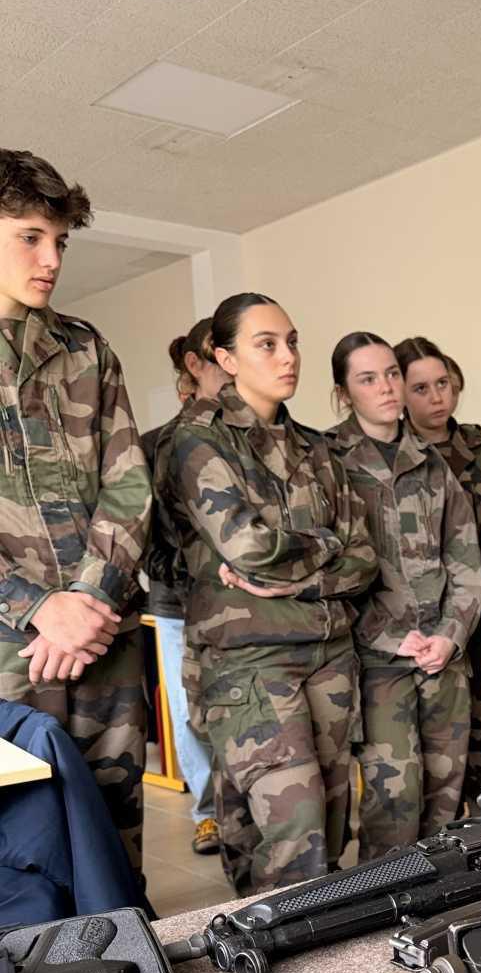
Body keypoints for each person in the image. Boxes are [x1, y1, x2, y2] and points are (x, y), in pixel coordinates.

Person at [164, 293, 377, 896]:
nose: (287, 356)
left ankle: (284, 941)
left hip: (329, 654)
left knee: (331, 827)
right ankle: (287, 965)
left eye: (292, 341)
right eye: (266, 344)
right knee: (296, 828)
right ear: (225, 358)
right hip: (250, 659)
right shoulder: (196, 440)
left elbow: (363, 558)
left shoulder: (315, 448)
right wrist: (326, 548)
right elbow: (246, 547)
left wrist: (304, 569)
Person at [0, 149, 152, 875]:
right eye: (30, 235)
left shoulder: (86, 349)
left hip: (103, 646)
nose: (51, 257)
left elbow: (128, 487)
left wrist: (89, 600)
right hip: (9, 657)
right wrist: (35, 608)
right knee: (22, 865)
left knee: (115, 851)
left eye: (61, 240)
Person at [328, 333, 481, 855]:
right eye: (368, 378)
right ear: (344, 393)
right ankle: (384, 922)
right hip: (377, 666)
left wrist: (449, 636)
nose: (387, 387)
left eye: (392, 373)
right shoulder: (329, 462)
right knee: (392, 807)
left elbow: (466, 566)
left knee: (444, 804)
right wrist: (392, 638)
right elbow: (328, 575)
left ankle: (438, 922)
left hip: (443, 662)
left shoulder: (432, 462)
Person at [395, 336, 481, 799]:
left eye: (442, 383)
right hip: (419, 631)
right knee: (430, 765)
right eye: (421, 387)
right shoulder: (393, 457)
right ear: (402, 394)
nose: (436, 396)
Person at [141, 318, 225, 855]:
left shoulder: (252, 440)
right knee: (190, 713)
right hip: (176, 607)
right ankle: (209, 811)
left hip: (245, 609)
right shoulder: (153, 447)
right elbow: (140, 535)